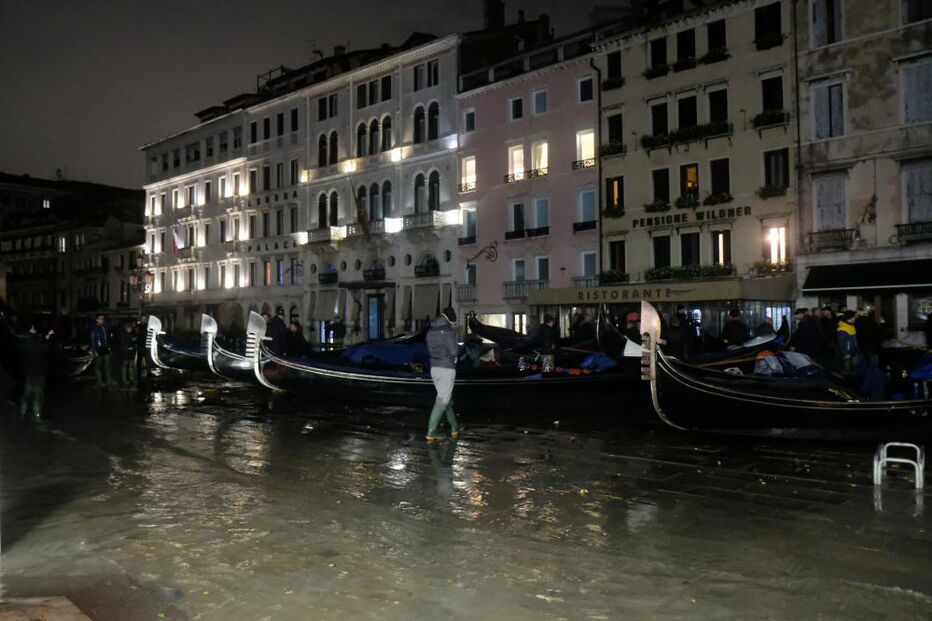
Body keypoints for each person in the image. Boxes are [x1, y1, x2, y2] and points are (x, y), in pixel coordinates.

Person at [425, 307, 461, 442]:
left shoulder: (430, 330)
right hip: (446, 368)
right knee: (442, 400)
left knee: (445, 398)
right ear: (451, 319)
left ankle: (455, 427)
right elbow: (453, 352)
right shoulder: (448, 330)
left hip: (434, 368)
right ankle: (431, 432)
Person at [16, 324, 52, 420]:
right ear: (31, 329)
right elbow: (45, 348)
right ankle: (37, 415)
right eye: (34, 328)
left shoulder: (22, 342)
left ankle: (22, 412)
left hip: (28, 373)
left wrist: (46, 337)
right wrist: (48, 338)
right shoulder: (35, 342)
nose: (35, 329)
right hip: (38, 373)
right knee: (37, 395)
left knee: (26, 394)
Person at [90, 313, 115, 389]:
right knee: (98, 366)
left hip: (105, 348)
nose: (102, 320)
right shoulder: (94, 328)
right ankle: (99, 382)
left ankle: (109, 381)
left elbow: (106, 338)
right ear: (96, 319)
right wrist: (94, 350)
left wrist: (109, 348)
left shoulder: (103, 327)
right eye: (100, 318)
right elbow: (92, 339)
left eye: (103, 318)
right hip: (98, 348)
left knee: (107, 365)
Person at [118, 322, 136, 388]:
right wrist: (129, 347)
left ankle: (131, 378)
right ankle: (124, 380)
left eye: (131, 328)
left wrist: (133, 344)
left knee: (130, 365)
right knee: (124, 366)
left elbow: (131, 342)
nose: (131, 329)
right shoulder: (122, 334)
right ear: (126, 328)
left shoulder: (130, 333)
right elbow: (123, 343)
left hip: (130, 352)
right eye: (129, 328)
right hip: (125, 352)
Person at [135, 315, 149, 381]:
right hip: (140, 344)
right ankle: (138, 372)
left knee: (147, 358)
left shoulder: (147, 326)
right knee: (139, 358)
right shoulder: (138, 326)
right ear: (141, 319)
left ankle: (148, 370)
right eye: (142, 319)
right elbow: (136, 334)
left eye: (145, 318)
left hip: (146, 344)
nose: (143, 320)